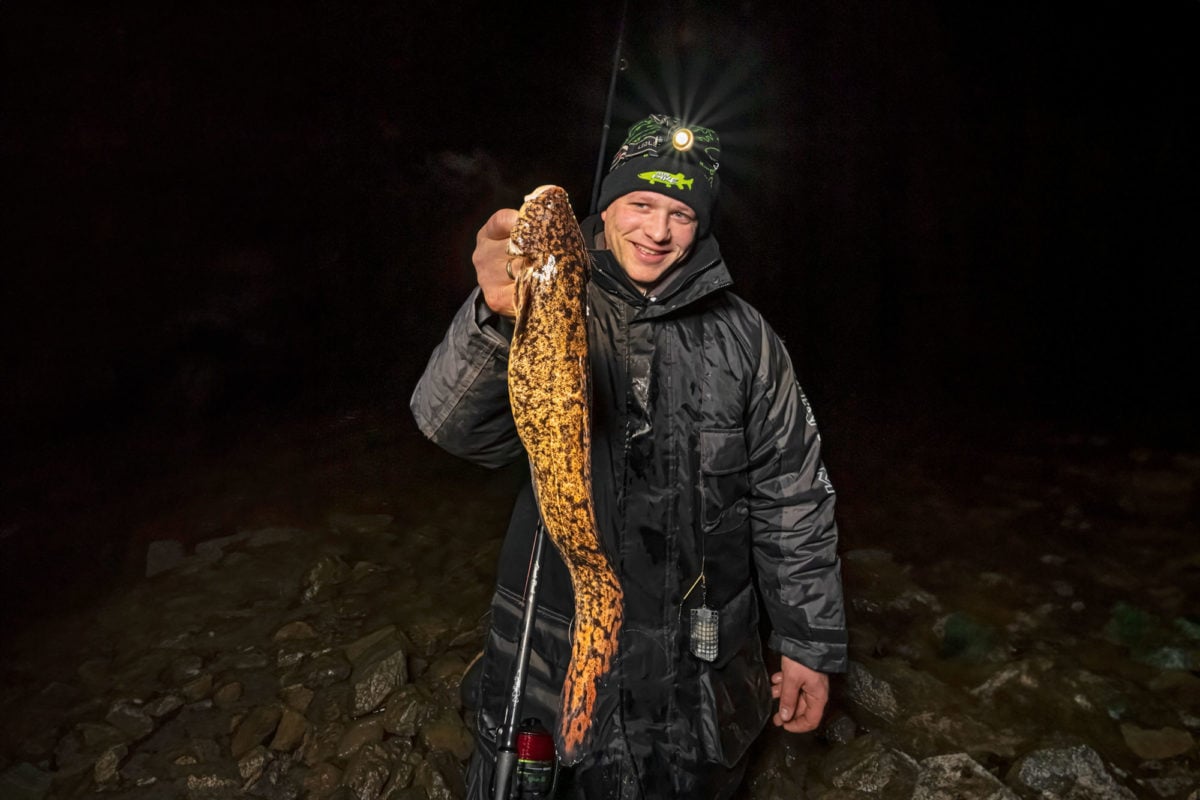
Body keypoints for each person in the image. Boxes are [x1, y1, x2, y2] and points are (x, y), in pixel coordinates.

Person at [411, 114, 847, 799]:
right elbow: (449, 426)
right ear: (606, 204)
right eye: (641, 204)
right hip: (558, 646)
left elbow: (793, 493)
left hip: (700, 670)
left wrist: (808, 645)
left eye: (680, 212)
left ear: (701, 225)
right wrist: (496, 316)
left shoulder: (747, 339)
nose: (658, 231)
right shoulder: (547, 295)